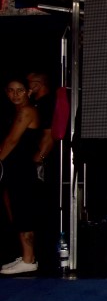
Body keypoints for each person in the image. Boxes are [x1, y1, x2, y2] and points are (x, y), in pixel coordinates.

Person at [0, 76, 41, 275]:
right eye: (11, 90)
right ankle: (25, 256)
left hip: (22, 170)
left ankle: (29, 259)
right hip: (14, 169)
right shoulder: (17, 111)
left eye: (20, 90)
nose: (15, 94)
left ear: (28, 92)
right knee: (17, 212)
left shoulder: (26, 111)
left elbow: (12, 141)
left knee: (24, 213)